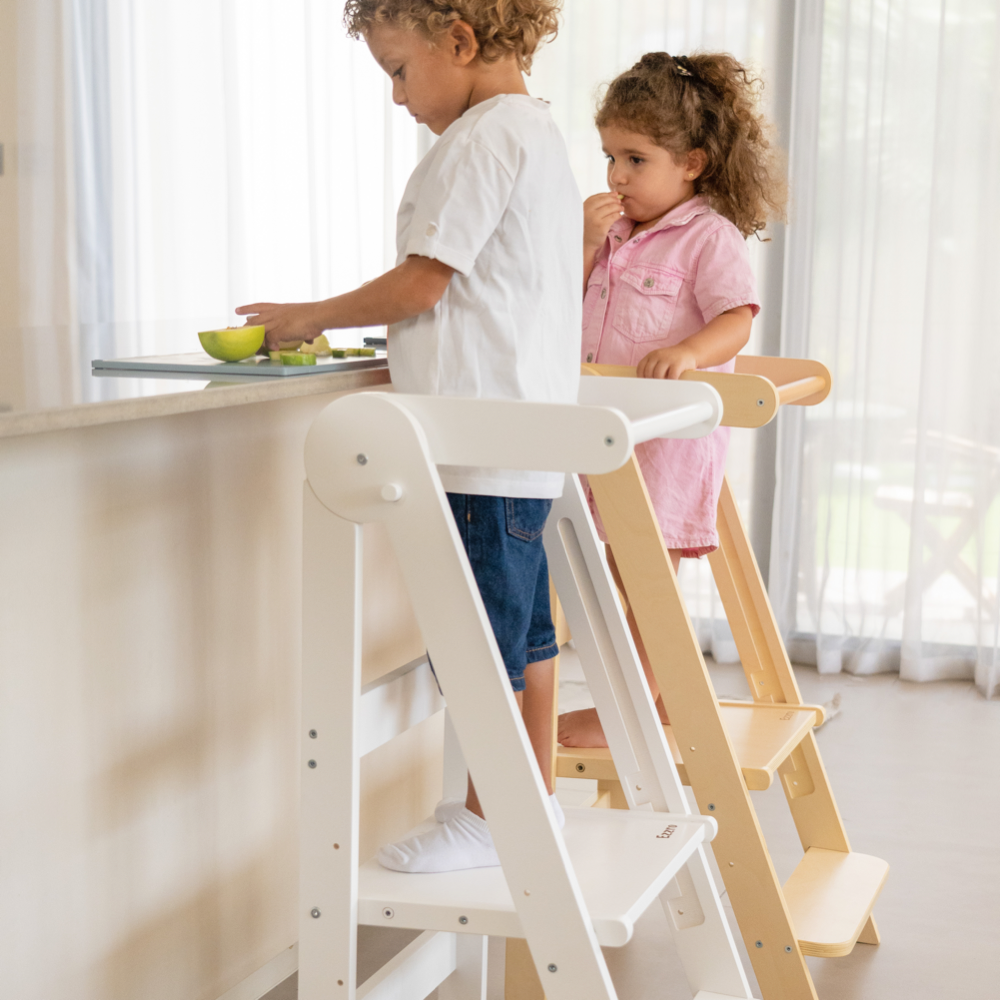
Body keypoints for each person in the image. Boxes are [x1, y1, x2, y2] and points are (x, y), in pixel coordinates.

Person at [236, 0, 579, 873]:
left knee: (478, 649)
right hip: (522, 443)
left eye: (397, 70)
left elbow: (425, 284)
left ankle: (490, 819)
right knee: (527, 644)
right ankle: (528, 804)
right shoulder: (532, 132)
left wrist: (309, 314)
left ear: (460, 42)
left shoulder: (481, 139)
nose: (395, 97)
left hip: (479, 449)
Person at [558, 51, 786, 748]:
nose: (616, 176)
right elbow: (563, 300)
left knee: (646, 577)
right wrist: (587, 242)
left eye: (635, 159)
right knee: (620, 575)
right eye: (609, 157)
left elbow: (737, 317)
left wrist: (690, 353)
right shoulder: (614, 232)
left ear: (690, 162)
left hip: (667, 438)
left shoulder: (707, 236)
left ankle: (625, 707)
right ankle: (654, 700)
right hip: (608, 433)